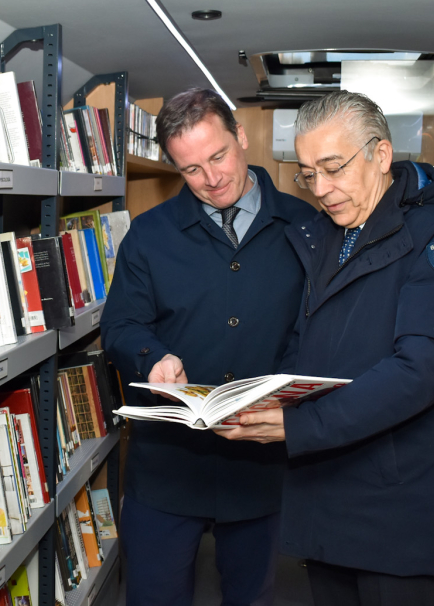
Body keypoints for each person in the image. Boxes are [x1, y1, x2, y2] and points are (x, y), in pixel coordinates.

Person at [222, 90, 434, 606]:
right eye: (307, 173)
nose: (321, 188)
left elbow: (421, 369)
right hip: (329, 490)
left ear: (381, 155)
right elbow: (309, 342)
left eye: (333, 167)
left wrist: (299, 426)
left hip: (399, 505)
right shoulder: (322, 237)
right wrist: (264, 398)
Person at [101, 88, 316, 606]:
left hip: (260, 465)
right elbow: (121, 324)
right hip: (167, 467)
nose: (212, 178)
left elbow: (316, 327)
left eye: (218, 156)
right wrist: (154, 357)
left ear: (240, 136)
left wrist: (281, 391)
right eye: (191, 169)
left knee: (254, 595)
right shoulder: (148, 235)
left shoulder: (308, 226)